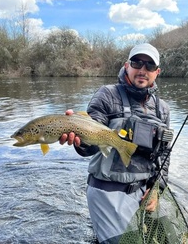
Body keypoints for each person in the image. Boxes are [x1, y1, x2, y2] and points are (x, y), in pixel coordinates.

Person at [60, 43, 173, 244]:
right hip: (107, 191)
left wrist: (157, 187)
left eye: (149, 66)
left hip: (144, 192)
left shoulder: (162, 109)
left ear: (157, 72)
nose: (142, 70)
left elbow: (164, 153)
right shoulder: (107, 95)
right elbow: (93, 138)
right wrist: (79, 137)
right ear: (126, 65)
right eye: (137, 63)